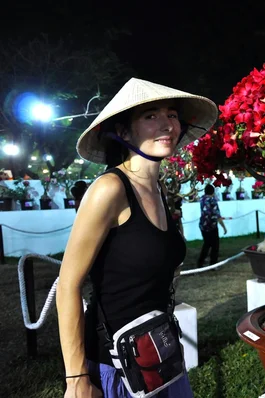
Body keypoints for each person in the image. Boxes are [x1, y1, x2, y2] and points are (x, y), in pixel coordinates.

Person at [56, 77, 217, 398]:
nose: (167, 124)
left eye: (171, 114)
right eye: (150, 116)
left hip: (157, 353)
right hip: (114, 363)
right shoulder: (109, 189)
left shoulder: (160, 190)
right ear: (124, 132)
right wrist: (76, 378)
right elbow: (67, 285)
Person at [197, 184, 228, 267]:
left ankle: (200, 262)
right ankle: (213, 264)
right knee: (215, 245)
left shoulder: (202, 199)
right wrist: (224, 227)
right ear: (213, 192)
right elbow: (217, 215)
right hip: (212, 226)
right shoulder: (212, 200)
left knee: (207, 244)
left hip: (203, 225)